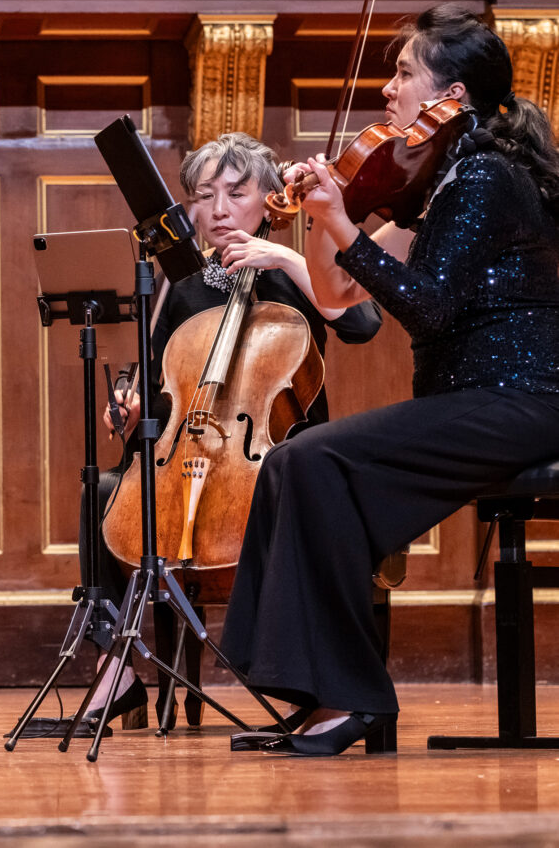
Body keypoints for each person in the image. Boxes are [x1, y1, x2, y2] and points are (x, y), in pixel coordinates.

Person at [221, 4, 559, 755]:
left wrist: (343, 224)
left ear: (454, 96)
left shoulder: (487, 177)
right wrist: (324, 215)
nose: (386, 89)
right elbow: (338, 295)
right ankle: (325, 694)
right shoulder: (431, 185)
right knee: (295, 466)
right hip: (472, 402)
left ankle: (351, 698)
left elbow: (429, 309)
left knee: (313, 459)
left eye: (403, 72)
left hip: (524, 400)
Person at [80, 132, 382, 726]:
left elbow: (364, 323)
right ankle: (115, 669)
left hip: (282, 458)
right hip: (192, 458)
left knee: (288, 493)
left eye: (237, 193)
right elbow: (168, 398)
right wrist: (135, 409)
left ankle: (308, 686)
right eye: (204, 195)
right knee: (102, 490)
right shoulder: (186, 292)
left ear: (272, 198)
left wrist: (292, 261)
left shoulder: (303, 272)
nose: (218, 210)